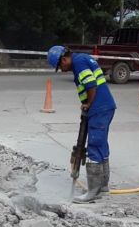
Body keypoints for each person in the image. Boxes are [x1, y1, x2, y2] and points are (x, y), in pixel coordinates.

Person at [47, 46, 117, 203]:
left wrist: (88, 104)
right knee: (101, 146)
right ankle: (103, 186)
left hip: (99, 108)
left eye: (60, 66)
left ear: (64, 59)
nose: (62, 70)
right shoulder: (83, 59)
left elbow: (91, 85)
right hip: (106, 107)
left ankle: (93, 192)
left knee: (94, 146)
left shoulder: (78, 63)